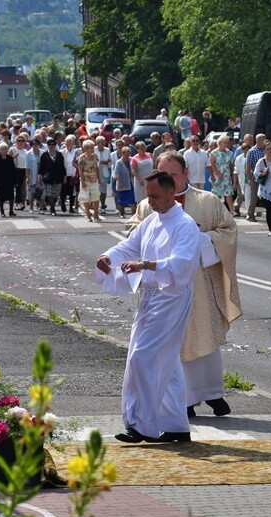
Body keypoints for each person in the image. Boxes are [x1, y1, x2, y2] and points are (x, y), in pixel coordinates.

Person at [126, 155, 243, 420]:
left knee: (203, 335)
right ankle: (184, 401)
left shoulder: (207, 201)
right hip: (164, 288)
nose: (169, 179)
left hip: (199, 282)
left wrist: (198, 240)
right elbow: (133, 231)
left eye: (174, 174)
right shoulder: (148, 205)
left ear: (186, 173)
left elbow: (228, 231)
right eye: (162, 173)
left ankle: (212, 392)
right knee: (170, 345)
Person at [99, 171, 200, 442]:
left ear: (171, 192)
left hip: (171, 297)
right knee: (167, 361)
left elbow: (183, 264)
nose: (151, 201)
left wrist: (145, 265)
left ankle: (142, 425)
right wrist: (108, 257)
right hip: (149, 297)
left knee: (142, 357)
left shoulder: (185, 225)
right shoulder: (152, 221)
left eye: (155, 196)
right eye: (148, 196)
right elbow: (129, 246)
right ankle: (176, 424)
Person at [209, 135, 236, 214]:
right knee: (217, 194)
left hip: (227, 176)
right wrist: (216, 173)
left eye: (227, 143)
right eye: (225, 142)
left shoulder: (229, 153)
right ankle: (215, 211)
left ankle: (231, 210)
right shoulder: (214, 152)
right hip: (218, 176)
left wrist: (232, 176)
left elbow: (231, 165)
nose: (226, 144)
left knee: (228, 193)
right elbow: (211, 164)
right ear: (220, 143)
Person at [76, 139, 102, 223]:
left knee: (96, 196)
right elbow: (80, 170)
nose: (93, 149)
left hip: (94, 179)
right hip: (85, 179)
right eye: (91, 147)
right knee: (85, 198)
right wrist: (83, 182)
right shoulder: (82, 157)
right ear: (86, 148)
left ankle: (96, 215)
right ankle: (88, 215)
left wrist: (99, 178)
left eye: (93, 147)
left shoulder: (95, 156)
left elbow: (96, 167)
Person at [39, 138, 66, 216]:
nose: (52, 146)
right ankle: (52, 208)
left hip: (58, 177)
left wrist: (64, 177)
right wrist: (40, 177)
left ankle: (53, 205)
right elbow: (41, 167)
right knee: (49, 194)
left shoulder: (59, 155)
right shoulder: (44, 155)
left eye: (53, 145)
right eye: (50, 145)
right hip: (48, 177)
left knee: (56, 194)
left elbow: (62, 167)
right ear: (48, 146)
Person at [245, 134, 268, 221]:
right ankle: (250, 215)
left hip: (267, 177)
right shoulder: (252, 151)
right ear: (258, 141)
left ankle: (270, 215)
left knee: (268, 196)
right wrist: (250, 179)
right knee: (254, 198)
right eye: (263, 140)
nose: (265, 142)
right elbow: (248, 167)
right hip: (256, 178)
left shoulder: (266, 150)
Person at [0, 144, 17, 217]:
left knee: (11, 197)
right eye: (2, 149)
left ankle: (11, 211)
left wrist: (15, 180)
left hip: (9, 180)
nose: (4, 150)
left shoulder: (10, 158)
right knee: (1, 197)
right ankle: (2, 211)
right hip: (0, 181)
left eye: (5, 149)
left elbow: (13, 169)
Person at [113, 145, 135, 219]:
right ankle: (121, 213)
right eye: (126, 154)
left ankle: (134, 214)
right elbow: (116, 173)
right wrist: (119, 181)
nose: (127, 156)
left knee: (132, 199)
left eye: (129, 154)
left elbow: (134, 169)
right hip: (122, 183)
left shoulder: (131, 160)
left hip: (130, 183)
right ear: (122, 153)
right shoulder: (119, 162)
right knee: (121, 200)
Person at [130, 142, 154, 206]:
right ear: (137, 149)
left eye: (144, 148)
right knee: (141, 197)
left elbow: (154, 166)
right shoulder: (134, 158)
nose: (143, 149)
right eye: (141, 148)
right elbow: (134, 171)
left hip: (150, 178)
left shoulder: (150, 155)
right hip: (141, 181)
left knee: (151, 195)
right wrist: (140, 180)